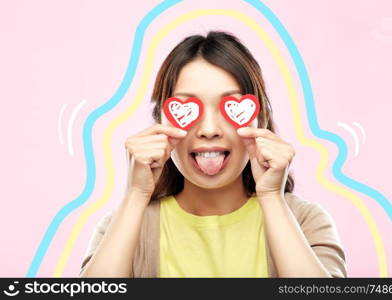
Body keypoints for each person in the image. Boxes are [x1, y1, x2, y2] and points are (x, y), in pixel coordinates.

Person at [79, 31, 347, 278]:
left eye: (229, 107)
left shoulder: (305, 221)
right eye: (187, 108)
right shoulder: (125, 225)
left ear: (260, 120)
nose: (209, 130)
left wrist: (271, 198)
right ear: (161, 121)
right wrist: (136, 195)